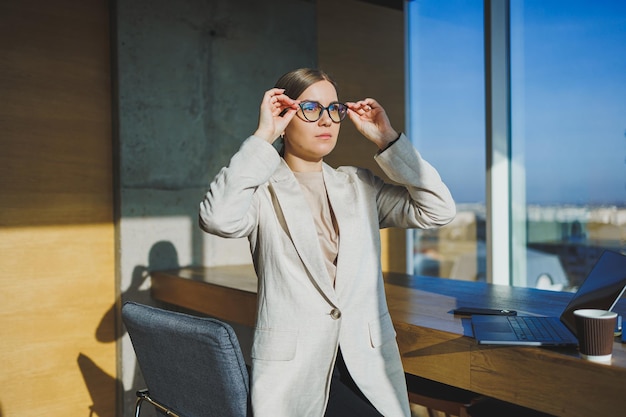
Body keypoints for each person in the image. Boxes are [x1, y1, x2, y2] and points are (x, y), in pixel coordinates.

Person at [199, 68, 455, 417]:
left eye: (334, 109)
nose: (327, 120)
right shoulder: (260, 190)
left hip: (366, 367)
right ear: (284, 117)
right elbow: (217, 218)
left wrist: (388, 140)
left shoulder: (359, 185)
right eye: (311, 109)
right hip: (295, 373)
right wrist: (262, 137)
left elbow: (438, 210)